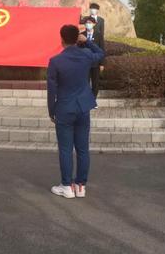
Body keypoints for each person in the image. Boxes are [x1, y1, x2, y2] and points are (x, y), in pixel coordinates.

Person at [47, 24, 104, 199]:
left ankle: (66, 186)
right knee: (83, 149)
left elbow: (52, 89)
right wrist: (87, 42)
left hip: (64, 108)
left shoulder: (56, 61)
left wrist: (51, 111)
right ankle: (80, 186)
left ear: (61, 39)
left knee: (66, 149)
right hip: (83, 107)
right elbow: (101, 54)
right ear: (77, 38)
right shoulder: (86, 55)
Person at [81, 16, 105, 102]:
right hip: (85, 63)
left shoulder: (99, 35)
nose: (88, 24)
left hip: (96, 63)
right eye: (86, 23)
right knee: (85, 82)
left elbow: (102, 49)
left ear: (94, 24)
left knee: (95, 83)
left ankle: (93, 100)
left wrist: (102, 63)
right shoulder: (81, 35)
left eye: (90, 23)